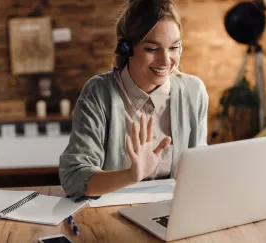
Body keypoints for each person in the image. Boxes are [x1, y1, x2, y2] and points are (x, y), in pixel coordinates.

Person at [59, 0, 208, 201]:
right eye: (152, 49)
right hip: (112, 213)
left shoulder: (193, 91)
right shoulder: (99, 94)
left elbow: (199, 169)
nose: (166, 60)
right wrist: (130, 176)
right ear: (126, 47)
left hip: (174, 211)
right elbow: (74, 178)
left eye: (174, 47)